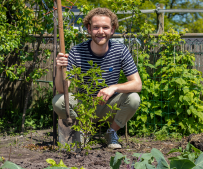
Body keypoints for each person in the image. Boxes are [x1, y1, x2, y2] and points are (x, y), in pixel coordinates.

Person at [52, 7, 142, 149]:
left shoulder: (120, 50)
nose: (101, 31)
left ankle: (111, 132)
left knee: (134, 98)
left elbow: (137, 84)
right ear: (89, 29)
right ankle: (82, 131)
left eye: (105, 27)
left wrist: (113, 87)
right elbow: (61, 88)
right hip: (85, 105)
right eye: (96, 27)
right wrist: (59, 68)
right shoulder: (77, 51)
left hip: (109, 105)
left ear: (112, 30)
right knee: (58, 100)